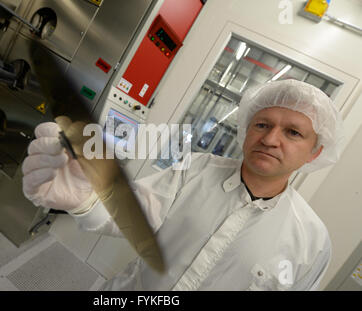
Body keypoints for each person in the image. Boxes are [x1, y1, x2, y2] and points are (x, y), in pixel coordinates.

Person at [21, 79, 343, 290]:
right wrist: (85, 201)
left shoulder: (311, 242)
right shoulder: (196, 169)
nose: (271, 139)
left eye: (293, 132)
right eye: (262, 124)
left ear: (315, 152)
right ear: (246, 130)